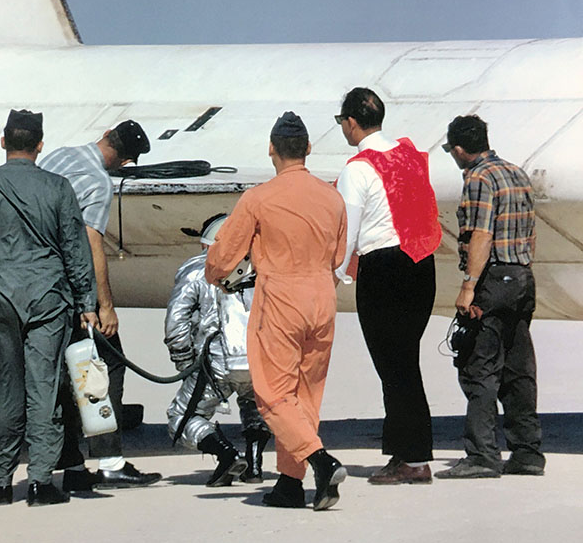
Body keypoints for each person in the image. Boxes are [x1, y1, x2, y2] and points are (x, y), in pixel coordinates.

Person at [0, 109, 99, 506]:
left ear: (2, 141)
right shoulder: (59, 187)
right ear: (40, 145)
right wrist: (87, 302)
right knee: (43, 386)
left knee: (1, 387)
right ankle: (42, 481)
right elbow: (76, 249)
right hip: (48, 296)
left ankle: (1, 482)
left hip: (0, 294)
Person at [206, 112, 348, 511]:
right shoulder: (332, 197)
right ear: (308, 148)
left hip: (281, 296)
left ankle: (319, 461)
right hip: (322, 296)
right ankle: (290, 482)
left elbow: (224, 255)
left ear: (271, 149)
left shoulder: (259, 198)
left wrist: (215, 273)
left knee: (272, 394)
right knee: (307, 394)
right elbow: (340, 256)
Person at [40, 121, 162, 490]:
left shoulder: (59, 155)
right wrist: (104, 304)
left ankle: (73, 467)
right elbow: (91, 241)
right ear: (126, 160)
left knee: (62, 375)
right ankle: (109, 460)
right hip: (74, 287)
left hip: (40, 282)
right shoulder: (98, 182)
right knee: (104, 368)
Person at [333, 87, 442, 485]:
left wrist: (336, 272)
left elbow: (347, 232)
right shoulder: (411, 155)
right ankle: (408, 453)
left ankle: (412, 459)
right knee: (404, 362)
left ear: (351, 122)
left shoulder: (357, 168)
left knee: (394, 368)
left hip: (384, 268)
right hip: (421, 264)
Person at [436, 114, 545, 479]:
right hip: (522, 277)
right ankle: (527, 452)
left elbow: (481, 235)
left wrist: (469, 287)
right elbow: (529, 229)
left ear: (461, 149)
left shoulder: (479, 178)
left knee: (478, 367)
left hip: (493, 278)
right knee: (518, 368)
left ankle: (483, 455)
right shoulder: (515, 172)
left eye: (451, 150)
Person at [165, 213, 271, 486]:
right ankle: (255, 465)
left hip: (216, 363)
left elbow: (176, 320)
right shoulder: (261, 266)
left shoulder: (196, 270)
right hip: (259, 358)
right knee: (254, 406)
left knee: (182, 417)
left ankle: (226, 455)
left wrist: (184, 360)